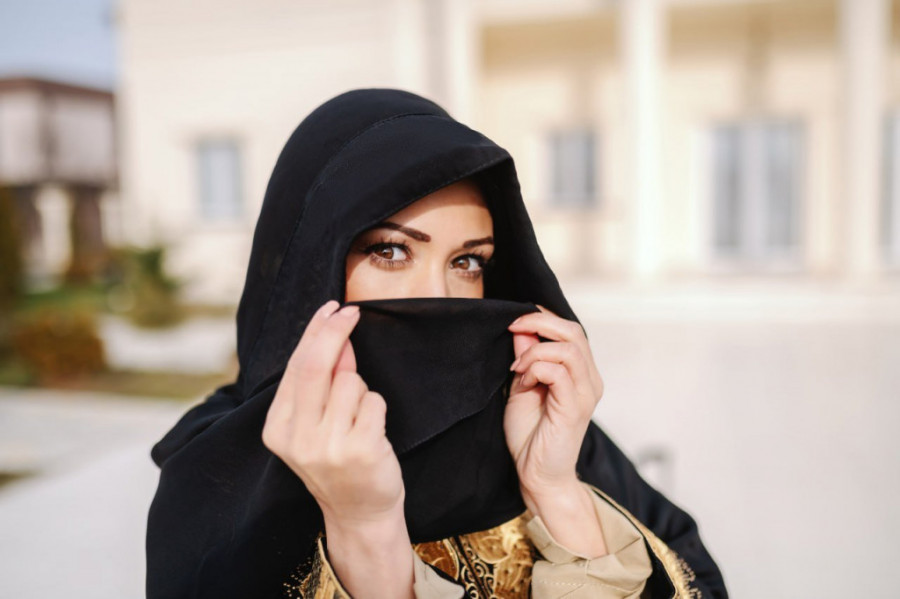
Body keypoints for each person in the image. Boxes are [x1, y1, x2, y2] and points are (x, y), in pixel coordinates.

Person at [146, 89, 727, 599]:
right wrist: (365, 530)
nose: (440, 300)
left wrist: (556, 493)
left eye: (468, 262)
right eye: (390, 251)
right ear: (309, 265)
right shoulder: (221, 486)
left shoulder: (540, 429)